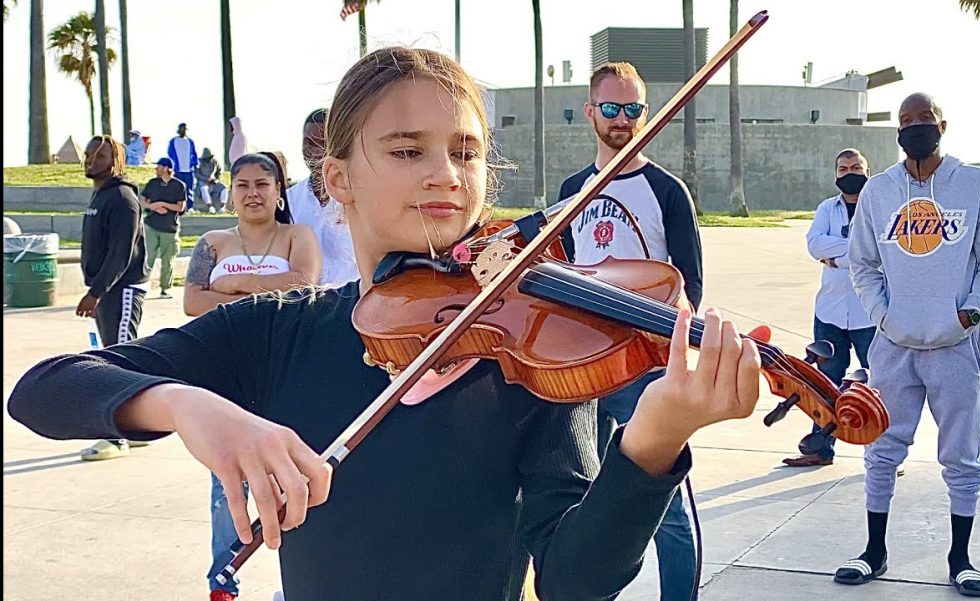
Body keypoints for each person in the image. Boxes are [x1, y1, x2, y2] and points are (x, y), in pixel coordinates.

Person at [8, 47, 761, 601]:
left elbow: (575, 578)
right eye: (408, 150)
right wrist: (187, 403)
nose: (446, 173)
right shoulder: (282, 331)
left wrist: (654, 441)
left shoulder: (533, 351)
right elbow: (45, 388)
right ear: (337, 179)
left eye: (465, 152)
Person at [838, 93, 980, 597]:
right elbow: (862, 262)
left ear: (942, 125)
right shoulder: (878, 191)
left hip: (955, 345)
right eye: (905, 122)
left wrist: (969, 312)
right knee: (881, 448)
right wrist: (882, 316)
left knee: (962, 454)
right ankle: (874, 551)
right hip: (894, 345)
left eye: (924, 120)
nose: (914, 129)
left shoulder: (974, 185)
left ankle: (961, 559)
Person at [556, 61, 703, 601]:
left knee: (666, 511)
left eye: (634, 109)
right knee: (584, 500)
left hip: (645, 370)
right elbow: (561, 276)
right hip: (578, 372)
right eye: (612, 109)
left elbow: (691, 290)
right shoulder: (573, 189)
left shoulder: (666, 191)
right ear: (591, 112)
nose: (623, 120)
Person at [185, 152, 321, 601]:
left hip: (286, 370)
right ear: (231, 192)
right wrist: (266, 288)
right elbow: (192, 302)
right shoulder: (212, 243)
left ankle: (298, 583)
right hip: (227, 376)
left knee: (293, 479)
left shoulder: (297, 235)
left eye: (262, 183)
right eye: (242, 184)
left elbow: (305, 282)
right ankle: (223, 580)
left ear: (279, 190)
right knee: (226, 486)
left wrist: (233, 287)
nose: (252, 193)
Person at [782, 149, 877, 468]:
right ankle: (820, 449)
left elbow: (881, 251)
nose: (849, 172)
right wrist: (857, 254)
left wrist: (836, 258)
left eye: (855, 167)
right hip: (831, 312)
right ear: (836, 174)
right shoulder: (827, 208)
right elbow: (814, 245)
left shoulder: (879, 206)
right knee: (824, 383)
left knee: (877, 383)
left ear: (867, 170)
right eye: (843, 168)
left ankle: (881, 454)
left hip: (871, 312)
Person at [75, 135, 150, 461]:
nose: (92, 160)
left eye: (101, 155)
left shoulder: (121, 198)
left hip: (122, 289)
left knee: (118, 359)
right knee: (116, 357)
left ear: (116, 161)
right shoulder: (100, 197)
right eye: (90, 154)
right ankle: (133, 430)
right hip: (109, 291)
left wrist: (97, 292)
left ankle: (116, 435)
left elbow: (121, 253)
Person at [288, 108, 361, 287]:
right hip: (303, 305)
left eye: (323, 143)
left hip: (353, 303)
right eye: (309, 143)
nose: (316, 152)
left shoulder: (361, 196)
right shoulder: (288, 200)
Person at [140, 157, 187, 299]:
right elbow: (142, 200)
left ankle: (165, 288)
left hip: (169, 228)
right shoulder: (152, 184)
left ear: (166, 168)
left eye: (159, 166)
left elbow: (181, 206)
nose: (156, 169)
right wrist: (152, 206)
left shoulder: (179, 185)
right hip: (151, 225)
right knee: (147, 257)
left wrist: (163, 204)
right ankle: (142, 286)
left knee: (168, 260)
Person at [167, 123, 199, 212]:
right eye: (182, 129)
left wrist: (195, 164)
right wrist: (173, 166)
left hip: (188, 171)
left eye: (185, 129)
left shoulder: (190, 141)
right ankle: (177, 207)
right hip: (177, 171)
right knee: (177, 189)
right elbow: (170, 154)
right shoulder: (173, 141)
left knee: (189, 189)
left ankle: (190, 207)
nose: (184, 131)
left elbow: (194, 154)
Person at [195, 147, 228, 214]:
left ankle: (222, 207)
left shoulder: (215, 162)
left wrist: (216, 179)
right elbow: (196, 174)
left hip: (213, 182)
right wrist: (205, 179)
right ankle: (210, 207)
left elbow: (219, 172)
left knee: (224, 188)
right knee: (203, 188)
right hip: (203, 182)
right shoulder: (199, 162)